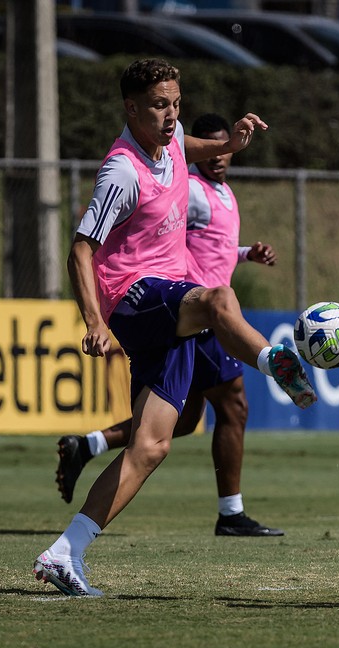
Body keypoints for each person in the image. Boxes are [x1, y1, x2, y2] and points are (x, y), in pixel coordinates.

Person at [33, 59, 317, 597]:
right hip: (132, 297)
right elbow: (80, 251)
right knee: (217, 298)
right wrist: (93, 320)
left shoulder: (173, 143)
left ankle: (63, 553)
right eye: (160, 106)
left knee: (152, 445)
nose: (171, 116)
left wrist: (231, 141)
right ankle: (275, 362)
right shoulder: (122, 169)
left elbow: (192, 148)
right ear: (131, 108)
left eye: (176, 104)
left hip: (168, 312)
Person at [56, 114, 284, 538]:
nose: (218, 155)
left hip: (184, 307)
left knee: (168, 429)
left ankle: (89, 455)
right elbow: (89, 248)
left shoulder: (222, 192)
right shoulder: (179, 183)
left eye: (176, 103)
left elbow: (208, 248)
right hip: (187, 308)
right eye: (212, 147)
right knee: (232, 406)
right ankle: (232, 509)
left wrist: (245, 254)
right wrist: (94, 318)